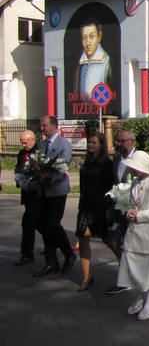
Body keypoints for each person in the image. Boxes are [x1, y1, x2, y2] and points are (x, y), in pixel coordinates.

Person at [117, 151, 149, 320]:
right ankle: (140, 297)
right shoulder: (135, 183)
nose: (132, 170)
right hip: (135, 234)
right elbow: (133, 205)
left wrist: (139, 215)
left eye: (135, 167)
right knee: (135, 267)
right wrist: (129, 214)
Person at [75, 133, 119, 292]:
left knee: (107, 239)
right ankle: (87, 277)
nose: (90, 145)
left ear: (101, 145)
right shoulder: (87, 161)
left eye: (94, 142)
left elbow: (109, 188)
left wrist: (108, 209)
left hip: (100, 206)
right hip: (86, 206)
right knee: (83, 237)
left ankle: (127, 266)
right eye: (89, 142)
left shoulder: (106, 163)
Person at [33, 116, 75, 278]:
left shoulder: (63, 144)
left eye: (44, 125)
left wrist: (49, 174)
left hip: (57, 190)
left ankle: (68, 253)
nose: (41, 128)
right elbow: (35, 162)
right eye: (41, 125)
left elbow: (64, 164)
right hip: (43, 190)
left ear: (53, 126)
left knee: (53, 224)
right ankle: (51, 262)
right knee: (42, 223)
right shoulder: (41, 145)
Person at [106, 128, 138, 295]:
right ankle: (126, 275)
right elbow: (115, 182)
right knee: (117, 241)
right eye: (117, 141)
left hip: (134, 209)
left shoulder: (139, 158)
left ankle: (130, 276)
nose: (118, 144)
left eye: (121, 141)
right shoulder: (117, 158)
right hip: (119, 207)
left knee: (130, 244)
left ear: (131, 142)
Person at [13, 130, 39, 267]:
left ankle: (27, 254)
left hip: (38, 195)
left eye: (25, 142)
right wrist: (19, 180)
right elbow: (18, 169)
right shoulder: (22, 154)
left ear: (33, 140)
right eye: (21, 143)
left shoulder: (39, 152)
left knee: (29, 223)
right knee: (38, 224)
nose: (23, 145)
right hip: (27, 194)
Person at [74, 17, 112, 98]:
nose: (87, 43)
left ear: (99, 36)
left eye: (92, 37)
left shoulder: (107, 62)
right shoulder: (80, 65)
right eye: (84, 38)